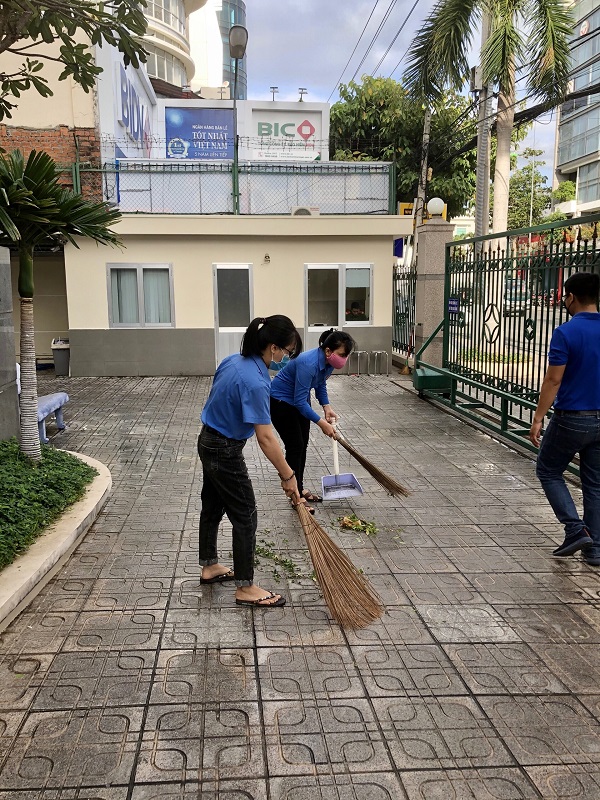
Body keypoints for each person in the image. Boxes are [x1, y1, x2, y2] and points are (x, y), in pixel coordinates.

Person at [198, 315, 304, 608]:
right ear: (273, 347)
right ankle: (245, 588)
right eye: (287, 351)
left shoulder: (232, 361)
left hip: (207, 439)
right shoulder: (257, 382)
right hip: (224, 449)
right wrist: (288, 475)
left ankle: (209, 566)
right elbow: (266, 438)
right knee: (245, 514)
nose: (287, 357)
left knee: (213, 505)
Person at [529, 271, 600, 566]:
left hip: (572, 417)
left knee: (548, 470)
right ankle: (594, 549)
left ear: (570, 297)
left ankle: (574, 530)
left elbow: (553, 380)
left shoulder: (566, 332)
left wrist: (538, 418)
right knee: (594, 484)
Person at [270, 328, 355, 506]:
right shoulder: (308, 363)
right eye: (342, 354)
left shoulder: (328, 363)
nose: (344, 359)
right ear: (328, 351)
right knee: (295, 446)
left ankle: (299, 488)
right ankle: (295, 497)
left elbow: (320, 383)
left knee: (302, 446)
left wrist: (327, 407)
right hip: (281, 402)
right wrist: (321, 423)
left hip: (297, 401)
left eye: (346, 355)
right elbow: (299, 401)